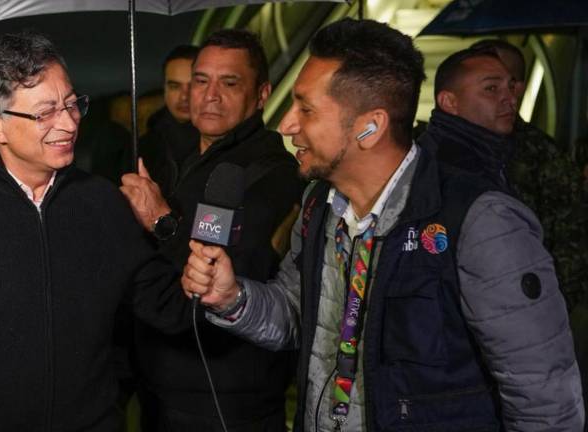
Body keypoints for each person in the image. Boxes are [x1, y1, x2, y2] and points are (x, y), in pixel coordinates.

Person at [182, 19, 585, 431]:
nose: (286, 124)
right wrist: (231, 298)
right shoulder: (318, 205)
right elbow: (297, 315)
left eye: (305, 108)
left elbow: (545, 401)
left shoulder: (481, 221)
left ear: (370, 127)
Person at [0, 31, 190, 431]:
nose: (68, 123)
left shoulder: (103, 203)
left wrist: (168, 228)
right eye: (45, 112)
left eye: (71, 104)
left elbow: (169, 309)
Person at [120, 29, 303, 431]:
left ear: (262, 94)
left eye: (230, 82)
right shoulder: (182, 159)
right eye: (201, 80)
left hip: (226, 403)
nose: (210, 95)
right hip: (160, 390)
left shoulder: (270, 174)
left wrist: (161, 222)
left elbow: (198, 295)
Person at [468, 39, 588, 312]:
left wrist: (547, 311)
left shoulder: (541, 156)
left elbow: (570, 246)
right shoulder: (437, 148)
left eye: (497, 83)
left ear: (516, 88)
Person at [139, 45, 200, 196]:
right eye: (175, 86)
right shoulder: (143, 147)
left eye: (192, 86)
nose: (184, 97)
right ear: (164, 89)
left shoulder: (225, 145)